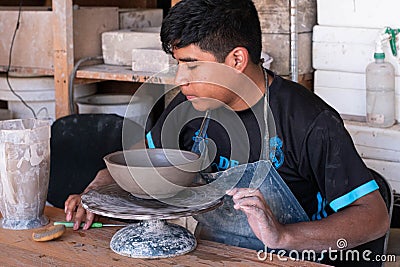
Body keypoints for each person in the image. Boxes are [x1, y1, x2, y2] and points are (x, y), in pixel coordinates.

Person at [65, 0, 389, 265]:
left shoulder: (309, 121)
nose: (180, 79)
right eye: (177, 64)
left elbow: (374, 217)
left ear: (236, 59)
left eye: (191, 65)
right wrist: (94, 193)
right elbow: (134, 161)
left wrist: (283, 236)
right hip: (211, 256)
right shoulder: (189, 106)